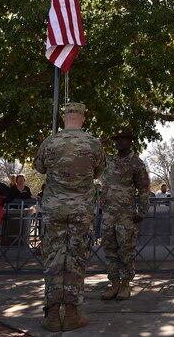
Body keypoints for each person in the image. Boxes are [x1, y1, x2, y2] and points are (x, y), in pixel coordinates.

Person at [34, 101, 106, 332]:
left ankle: (53, 314)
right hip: (80, 211)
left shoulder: (50, 142)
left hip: (54, 209)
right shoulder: (93, 144)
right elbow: (98, 171)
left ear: (64, 118)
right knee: (75, 260)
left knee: (53, 259)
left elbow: (39, 168)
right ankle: (72, 313)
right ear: (83, 118)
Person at [99, 128, 150, 302]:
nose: (119, 142)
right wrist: (101, 141)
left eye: (123, 139)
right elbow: (92, 158)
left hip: (126, 215)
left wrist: (142, 211)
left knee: (126, 250)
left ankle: (125, 283)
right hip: (108, 214)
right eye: (117, 139)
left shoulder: (137, 164)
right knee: (109, 249)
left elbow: (144, 189)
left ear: (130, 141)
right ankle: (114, 283)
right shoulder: (108, 161)